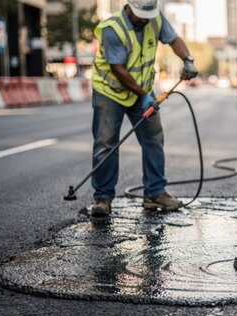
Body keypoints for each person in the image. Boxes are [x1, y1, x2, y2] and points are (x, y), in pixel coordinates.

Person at [89, 0, 198, 217]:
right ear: (129, 7)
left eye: (148, 15)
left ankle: (155, 193)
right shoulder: (113, 30)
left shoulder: (154, 17)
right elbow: (118, 70)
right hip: (111, 93)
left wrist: (187, 59)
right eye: (141, 15)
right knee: (106, 144)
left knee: (153, 139)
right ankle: (103, 198)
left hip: (143, 91)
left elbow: (174, 39)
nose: (145, 19)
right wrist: (144, 96)